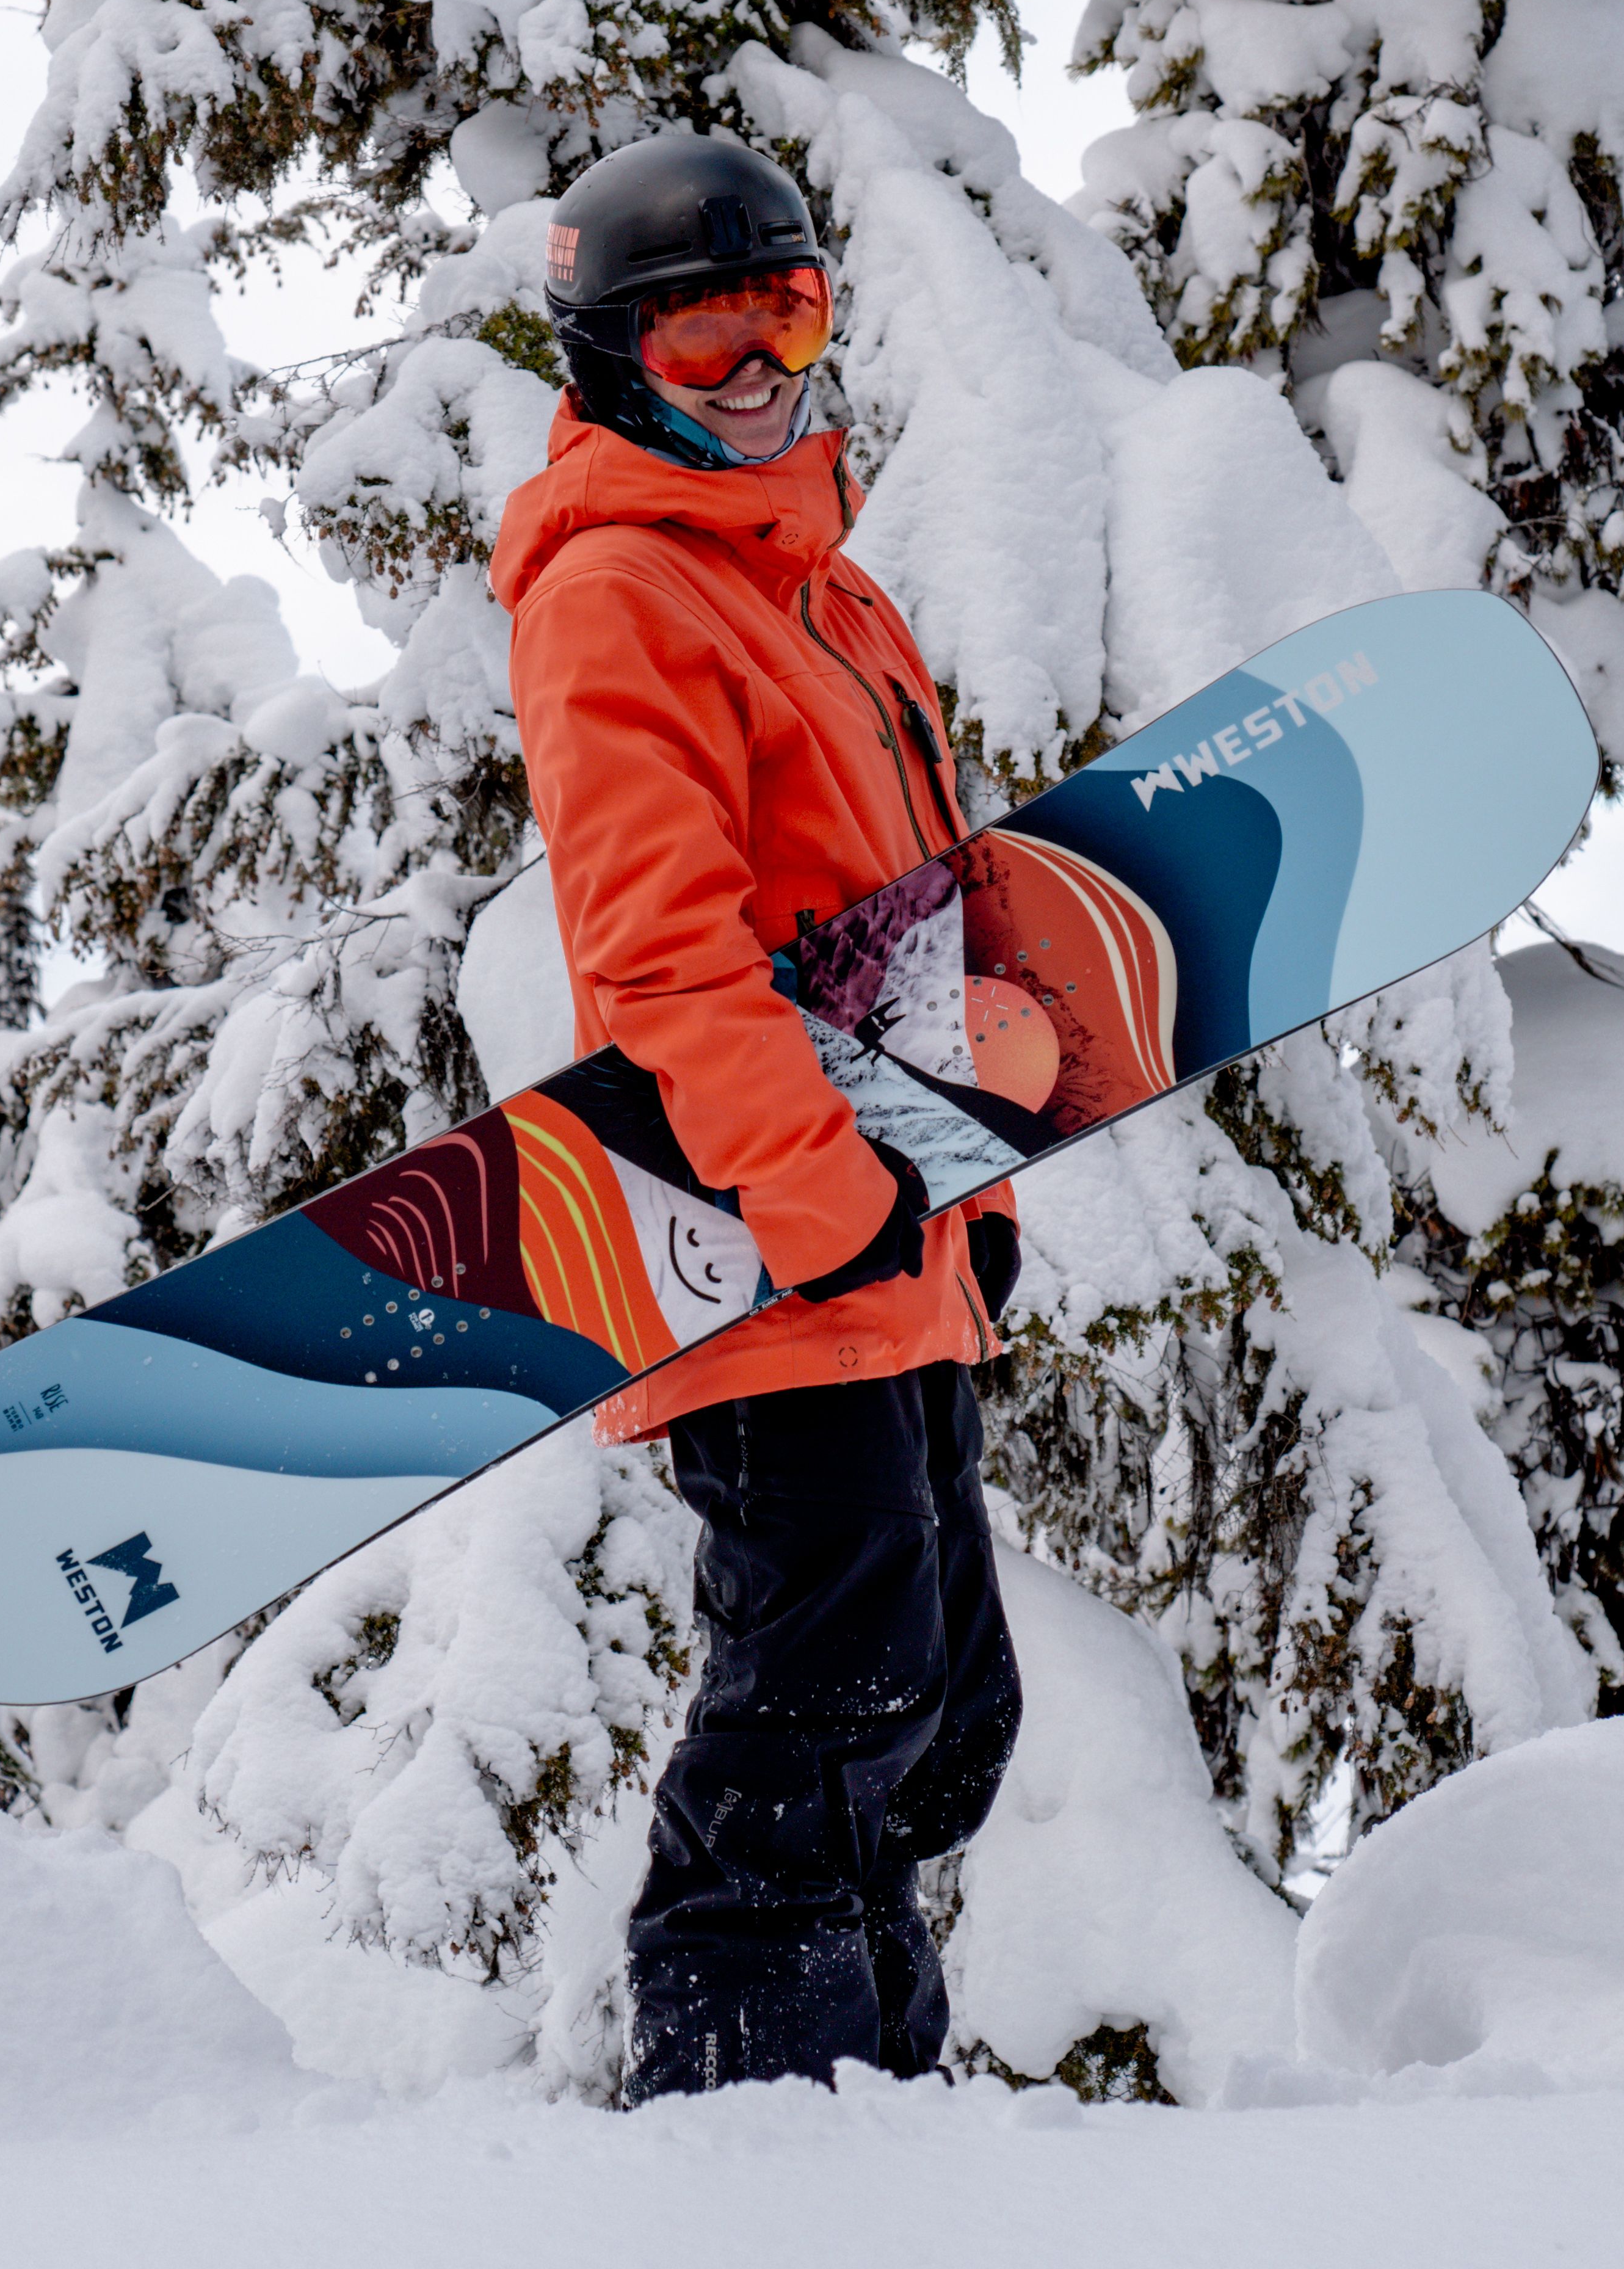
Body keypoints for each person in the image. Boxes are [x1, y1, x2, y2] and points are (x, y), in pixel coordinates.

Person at [487, 133, 1023, 2100]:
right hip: (756, 1238)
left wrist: (962, 1184)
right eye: (703, 334)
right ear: (616, 357)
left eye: (783, 316)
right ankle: (741, 2131)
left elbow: (907, 934)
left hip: (888, 1233)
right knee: (833, 1694)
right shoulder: (618, 590)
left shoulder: (837, 605)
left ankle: (873, 2116)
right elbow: (664, 959)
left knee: (944, 1704)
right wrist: (818, 1188)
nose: (752, 371)